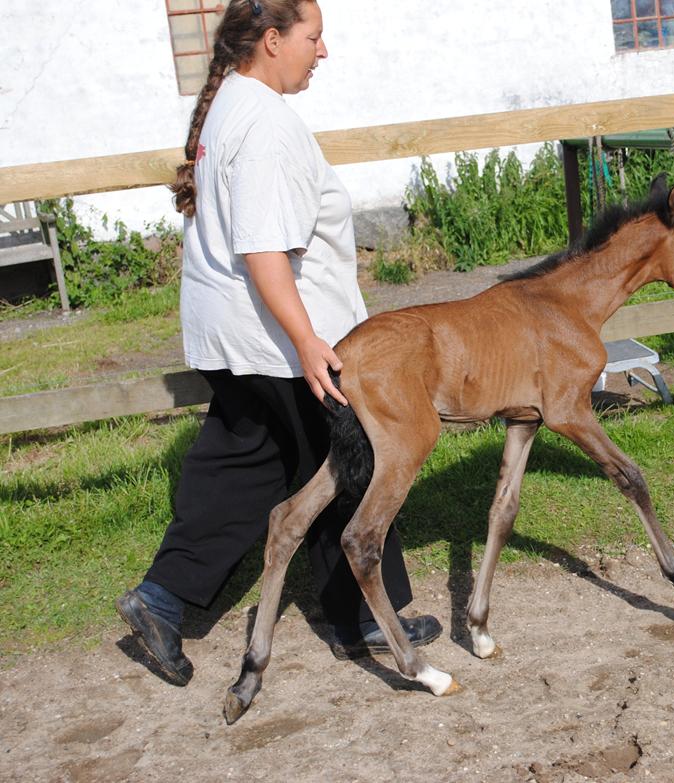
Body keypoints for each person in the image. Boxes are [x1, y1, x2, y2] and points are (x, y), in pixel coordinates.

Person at [116, 0, 439, 686]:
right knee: (351, 465)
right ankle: (364, 616)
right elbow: (265, 250)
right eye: (313, 38)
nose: (323, 52)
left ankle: (162, 598)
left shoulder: (232, 105)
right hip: (286, 337)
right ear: (270, 40)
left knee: (241, 464)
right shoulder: (264, 124)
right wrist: (306, 340)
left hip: (235, 333)